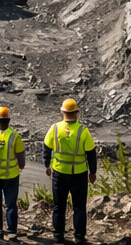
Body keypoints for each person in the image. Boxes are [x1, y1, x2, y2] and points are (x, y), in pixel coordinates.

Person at [43, 98, 97, 245]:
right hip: (79, 174)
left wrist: (47, 165)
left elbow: (46, 147)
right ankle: (79, 236)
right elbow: (91, 153)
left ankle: (58, 235)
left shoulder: (55, 128)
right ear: (77, 113)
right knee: (79, 206)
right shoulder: (83, 131)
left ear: (62, 112)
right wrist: (93, 172)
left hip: (59, 173)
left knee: (58, 205)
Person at [0, 106, 26, 241]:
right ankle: (12, 231)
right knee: (10, 204)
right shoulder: (14, 136)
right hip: (11, 176)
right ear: (8, 120)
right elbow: (21, 160)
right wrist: (20, 166)